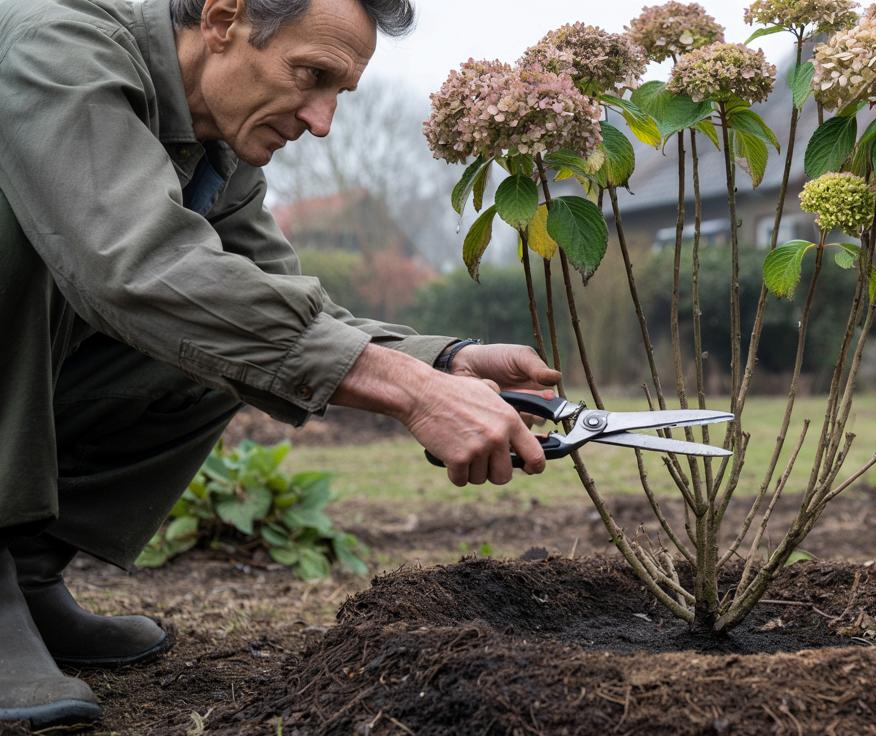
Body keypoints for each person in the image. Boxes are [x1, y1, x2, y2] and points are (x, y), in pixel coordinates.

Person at [0, 0, 560, 726]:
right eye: (311, 75)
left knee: (231, 337)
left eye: (338, 93)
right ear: (223, 18)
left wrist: (440, 361)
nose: (321, 121)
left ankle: (23, 568)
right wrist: (409, 393)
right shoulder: (57, 48)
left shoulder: (217, 154)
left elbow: (285, 311)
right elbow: (132, 266)